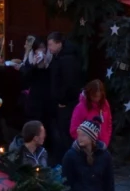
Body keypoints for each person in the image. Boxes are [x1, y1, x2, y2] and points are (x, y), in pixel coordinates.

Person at [48, 31, 85, 162]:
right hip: (62, 102)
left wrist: (62, 99)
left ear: (59, 44)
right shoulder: (59, 57)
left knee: (65, 133)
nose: (49, 48)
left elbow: (69, 82)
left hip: (66, 103)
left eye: (51, 44)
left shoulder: (67, 59)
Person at [61, 119, 113, 191]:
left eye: (83, 135)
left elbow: (109, 182)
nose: (80, 138)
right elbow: (66, 182)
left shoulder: (104, 155)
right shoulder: (70, 156)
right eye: (79, 134)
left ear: (92, 138)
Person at [20, 36, 54, 131]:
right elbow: (25, 79)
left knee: (46, 125)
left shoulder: (51, 60)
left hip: (47, 99)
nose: (41, 50)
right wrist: (33, 66)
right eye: (38, 48)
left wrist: (45, 65)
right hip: (34, 98)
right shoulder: (30, 60)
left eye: (43, 47)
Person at [70, 79, 114, 150]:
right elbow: (74, 129)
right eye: (94, 96)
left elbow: (108, 123)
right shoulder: (81, 107)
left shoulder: (105, 104)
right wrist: (86, 142)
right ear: (89, 94)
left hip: (103, 145)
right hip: (86, 147)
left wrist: (106, 141)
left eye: (99, 96)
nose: (97, 99)